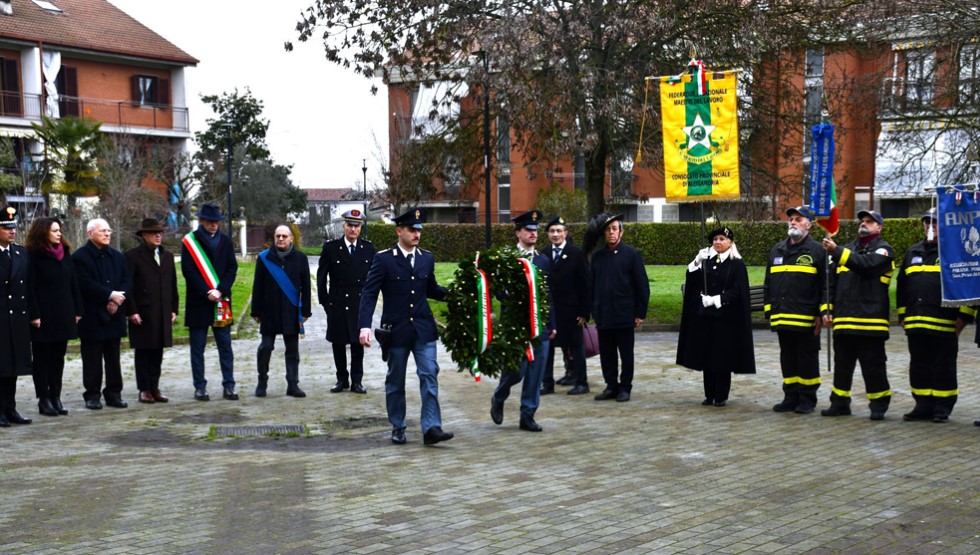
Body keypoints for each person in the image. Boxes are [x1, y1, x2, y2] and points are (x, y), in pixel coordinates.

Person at [358, 208, 453, 446]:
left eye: (419, 230)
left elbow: (431, 289)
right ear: (399, 230)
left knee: (429, 374)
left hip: (423, 328)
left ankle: (431, 428)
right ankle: (398, 426)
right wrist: (364, 326)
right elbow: (369, 293)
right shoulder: (384, 258)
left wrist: (457, 294)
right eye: (412, 230)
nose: (416, 234)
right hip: (396, 330)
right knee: (395, 380)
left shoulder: (426, 258)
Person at [897, 208, 974, 423]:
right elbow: (902, 286)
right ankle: (922, 405)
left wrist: (964, 317)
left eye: (934, 224)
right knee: (919, 366)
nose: (930, 228)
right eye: (927, 224)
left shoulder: (954, 253)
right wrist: (903, 315)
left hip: (945, 323)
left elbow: (967, 285)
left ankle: (942, 408)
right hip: (916, 323)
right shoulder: (913, 252)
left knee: (943, 367)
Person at [821, 210, 895, 420]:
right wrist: (827, 309)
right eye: (862, 221)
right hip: (844, 321)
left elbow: (867, 266)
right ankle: (840, 403)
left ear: (879, 227)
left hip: (870, 323)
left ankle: (879, 404)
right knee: (842, 366)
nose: (864, 224)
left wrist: (837, 251)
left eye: (869, 222)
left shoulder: (884, 250)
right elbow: (831, 284)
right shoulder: (847, 249)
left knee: (873, 367)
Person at [490, 210, 554, 432]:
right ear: (518, 233)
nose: (533, 234)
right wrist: (509, 291)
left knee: (536, 372)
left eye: (535, 230)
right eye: (528, 230)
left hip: (539, 326)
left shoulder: (543, 260)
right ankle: (499, 396)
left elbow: (549, 294)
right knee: (517, 370)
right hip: (515, 326)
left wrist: (552, 324)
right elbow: (497, 291)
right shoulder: (507, 259)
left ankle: (528, 414)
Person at [676, 227, 756, 405]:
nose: (718, 242)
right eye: (715, 240)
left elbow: (739, 290)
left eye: (722, 239)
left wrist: (718, 299)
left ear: (730, 242)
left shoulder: (737, 264)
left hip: (726, 318)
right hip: (706, 316)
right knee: (707, 355)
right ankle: (709, 394)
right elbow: (692, 280)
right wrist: (697, 262)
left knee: (721, 356)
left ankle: (721, 395)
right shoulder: (707, 261)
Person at [764, 207, 827, 414]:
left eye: (798, 219)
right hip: (782, 316)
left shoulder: (818, 251)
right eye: (791, 219)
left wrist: (822, 312)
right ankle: (790, 396)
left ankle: (807, 398)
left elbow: (826, 285)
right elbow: (768, 283)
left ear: (809, 224)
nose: (793, 222)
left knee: (806, 358)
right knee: (788, 358)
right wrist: (769, 310)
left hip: (807, 318)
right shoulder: (777, 250)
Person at [181, 203, 238, 401]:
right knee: (197, 348)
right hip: (199, 301)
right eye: (211, 221)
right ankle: (200, 387)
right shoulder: (190, 242)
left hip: (221, 301)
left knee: (225, 345)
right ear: (202, 221)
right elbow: (188, 270)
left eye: (217, 222)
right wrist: (207, 291)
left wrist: (220, 289)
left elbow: (232, 268)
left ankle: (229, 385)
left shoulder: (226, 241)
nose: (215, 225)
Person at [589, 214, 649, 402]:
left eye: (615, 229)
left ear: (621, 232)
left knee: (625, 354)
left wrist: (640, 313)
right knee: (607, 354)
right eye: (608, 229)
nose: (611, 232)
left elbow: (642, 286)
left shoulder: (632, 255)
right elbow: (592, 286)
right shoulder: (598, 258)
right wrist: (593, 310)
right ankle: (611, 385)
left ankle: (625, 387)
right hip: (604, 315)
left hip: (624, 314)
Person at [73, 218, 131, 410]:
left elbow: (126, 279)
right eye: (102, 231)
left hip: (115, 313)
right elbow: (83, 283)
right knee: (92, 358)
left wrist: (117, 299)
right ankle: (92, 395)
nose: (107, 234)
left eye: (109, 230)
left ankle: (114, 393)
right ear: (90, 234)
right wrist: (108, 295)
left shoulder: (117, 256)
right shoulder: (80, 257)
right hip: (92, 315)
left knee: (114, 357)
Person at [26, 217, 82, 416]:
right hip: (43, 316)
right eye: (55, 230)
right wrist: (34, 314)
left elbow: (73, 282)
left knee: (58, 358)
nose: (59, 234)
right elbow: (30, 287)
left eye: (60, 230)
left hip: (63, 313)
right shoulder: (33, 255)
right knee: (42, 359)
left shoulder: (65, 253)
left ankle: (56, 396)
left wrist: (77, 310)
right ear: (43, 232)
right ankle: (44, 399)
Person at [318, 209, 376, 394]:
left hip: (359, 303)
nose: (353, 229)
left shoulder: (368, 249)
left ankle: (357, 381)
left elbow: (374, 278)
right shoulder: (331, 248)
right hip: (337, 302)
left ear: (361, 228)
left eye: (357, 226)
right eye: (350, 225)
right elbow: (321, 277)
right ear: (343, 226)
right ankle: (341, 379)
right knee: (338, 342)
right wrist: (325, 302)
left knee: (358, 343)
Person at [252, 225, 312, 397]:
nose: (281, 239)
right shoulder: (264, 258)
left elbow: (306, 287)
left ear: (291, 238)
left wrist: (306, 311)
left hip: (291, 311)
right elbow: (257, 286)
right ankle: (261, 381)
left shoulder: (301, 258)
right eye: (278, 236)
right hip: (269, 311)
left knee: (292, 350)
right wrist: (256, 311)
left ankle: (293, 384)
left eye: (284, 236)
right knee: (266, 347)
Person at [124, 218, 178, 405]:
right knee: (144, 351)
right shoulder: (132, 256)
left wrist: (174, 308)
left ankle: (154, 386)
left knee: (158, 350)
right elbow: (128, 286)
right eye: (154, 233)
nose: (158, 235)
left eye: (160, 233)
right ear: (144, 235)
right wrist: (131, 311)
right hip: (143, 312)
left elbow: (172, 284)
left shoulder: (167, 256)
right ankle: (144, 389)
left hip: (163, 310)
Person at [539, 216, 591, 396]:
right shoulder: (542, 253)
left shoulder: (577, 254)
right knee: (548, 348)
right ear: (547, 234)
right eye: (552, 231)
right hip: (549, 311)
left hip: (572, 311)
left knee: (576, 347)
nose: (555, 234)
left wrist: (585, 312)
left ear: (565, 233)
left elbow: (586, 284)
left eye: (559, 231)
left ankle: (581, 382)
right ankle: (547, 383)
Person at [0, 206, 33, 426]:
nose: (12, 231)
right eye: (6, 227)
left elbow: (29, 287)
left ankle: (10, 408)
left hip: (17, 319)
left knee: (13, 368)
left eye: (14, 227)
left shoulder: (20, 253)